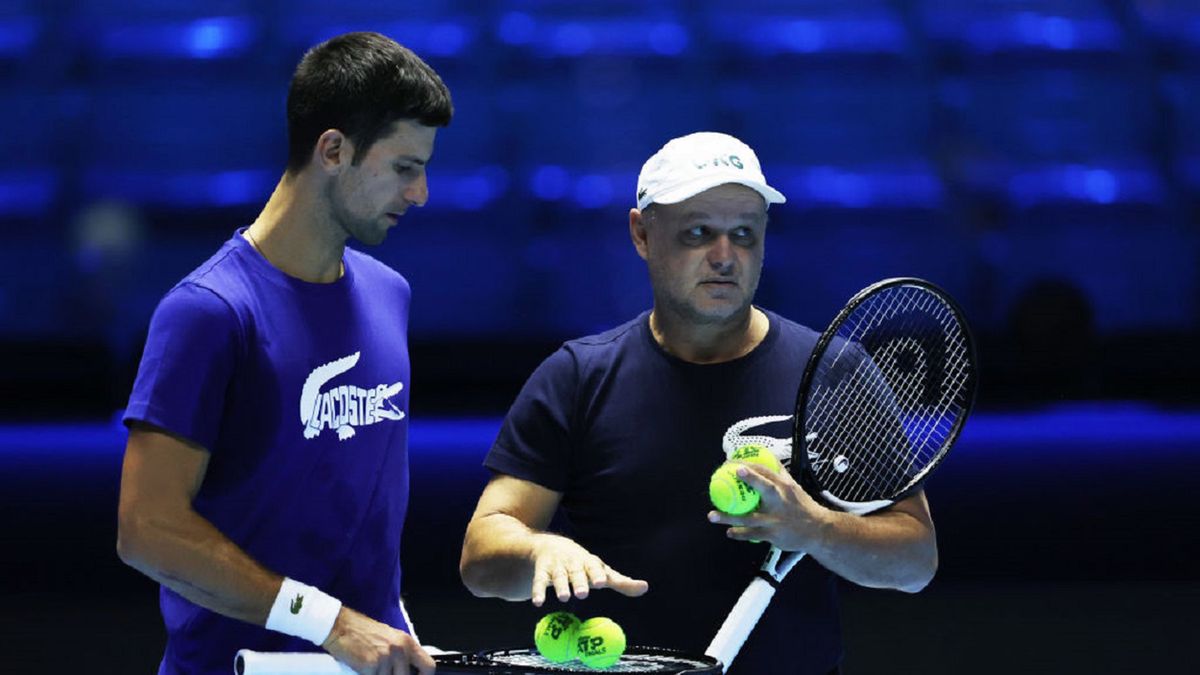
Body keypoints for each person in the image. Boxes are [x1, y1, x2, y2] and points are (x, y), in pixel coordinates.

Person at [459, 132, 938, 674]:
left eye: (743, 234)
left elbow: (914, 561)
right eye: (697, 233)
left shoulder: (835, 372)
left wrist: (816, 528)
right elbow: (482, 558)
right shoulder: (576, 377)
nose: (724, 256)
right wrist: (537, 552)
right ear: (642, 233)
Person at [116, 32, 452, 675]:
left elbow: (356, 523)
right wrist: (330, 623)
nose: (421, 194)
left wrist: (390, 629)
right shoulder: (206, 311)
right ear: (333, 150)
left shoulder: (390, 295)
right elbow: (146, 530)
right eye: (405, 168)